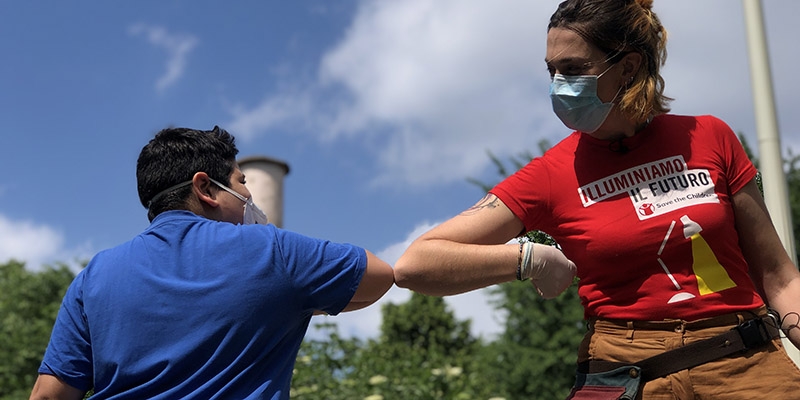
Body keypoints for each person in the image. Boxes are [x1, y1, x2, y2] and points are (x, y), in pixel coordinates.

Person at [394, 0, 800, 398]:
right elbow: (417, 263)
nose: (558, 85)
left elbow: (779, 277)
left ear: (628, 66)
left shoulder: (711, 136)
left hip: (747, 367)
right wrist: (528, 259)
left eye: (573, 69)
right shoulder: (550, 175)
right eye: (552, 71)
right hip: (625, 376)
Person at [30, 126, 394, 400]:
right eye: (241, 181)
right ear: (205, 188)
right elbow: (380, 275)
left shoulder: (94, 276)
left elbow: (48, 395)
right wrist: (286, 302)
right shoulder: (271, 251)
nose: (249, 194)